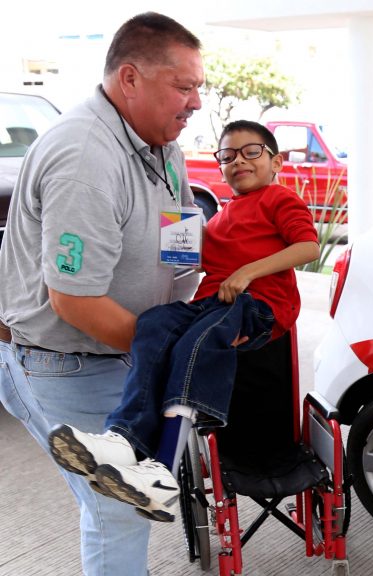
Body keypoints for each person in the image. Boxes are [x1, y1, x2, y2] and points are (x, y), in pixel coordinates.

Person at [0, 12, 204, 575]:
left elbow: (180, 240)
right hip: (64, 360)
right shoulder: (86, 157)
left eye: (198, 89)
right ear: (131, 79)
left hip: (118, 352)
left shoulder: (163, 146)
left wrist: (184, 313)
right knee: (122, 510)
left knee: (121, 500)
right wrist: (163, 355)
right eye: (183, 87)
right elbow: (75, 301)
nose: (195, 104)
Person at [47, 120, 320, 522]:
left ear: (276, 161)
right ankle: (124, 438)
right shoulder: (221, 217)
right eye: (227, 156)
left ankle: (163, 472)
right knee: (154, 326)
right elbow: (187, 259)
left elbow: (308, 247)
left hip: (257, 304)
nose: (238, 161)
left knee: (198, 342)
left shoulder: (278, 198)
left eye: (251, 152)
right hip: (213, 303)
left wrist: (247, 273)